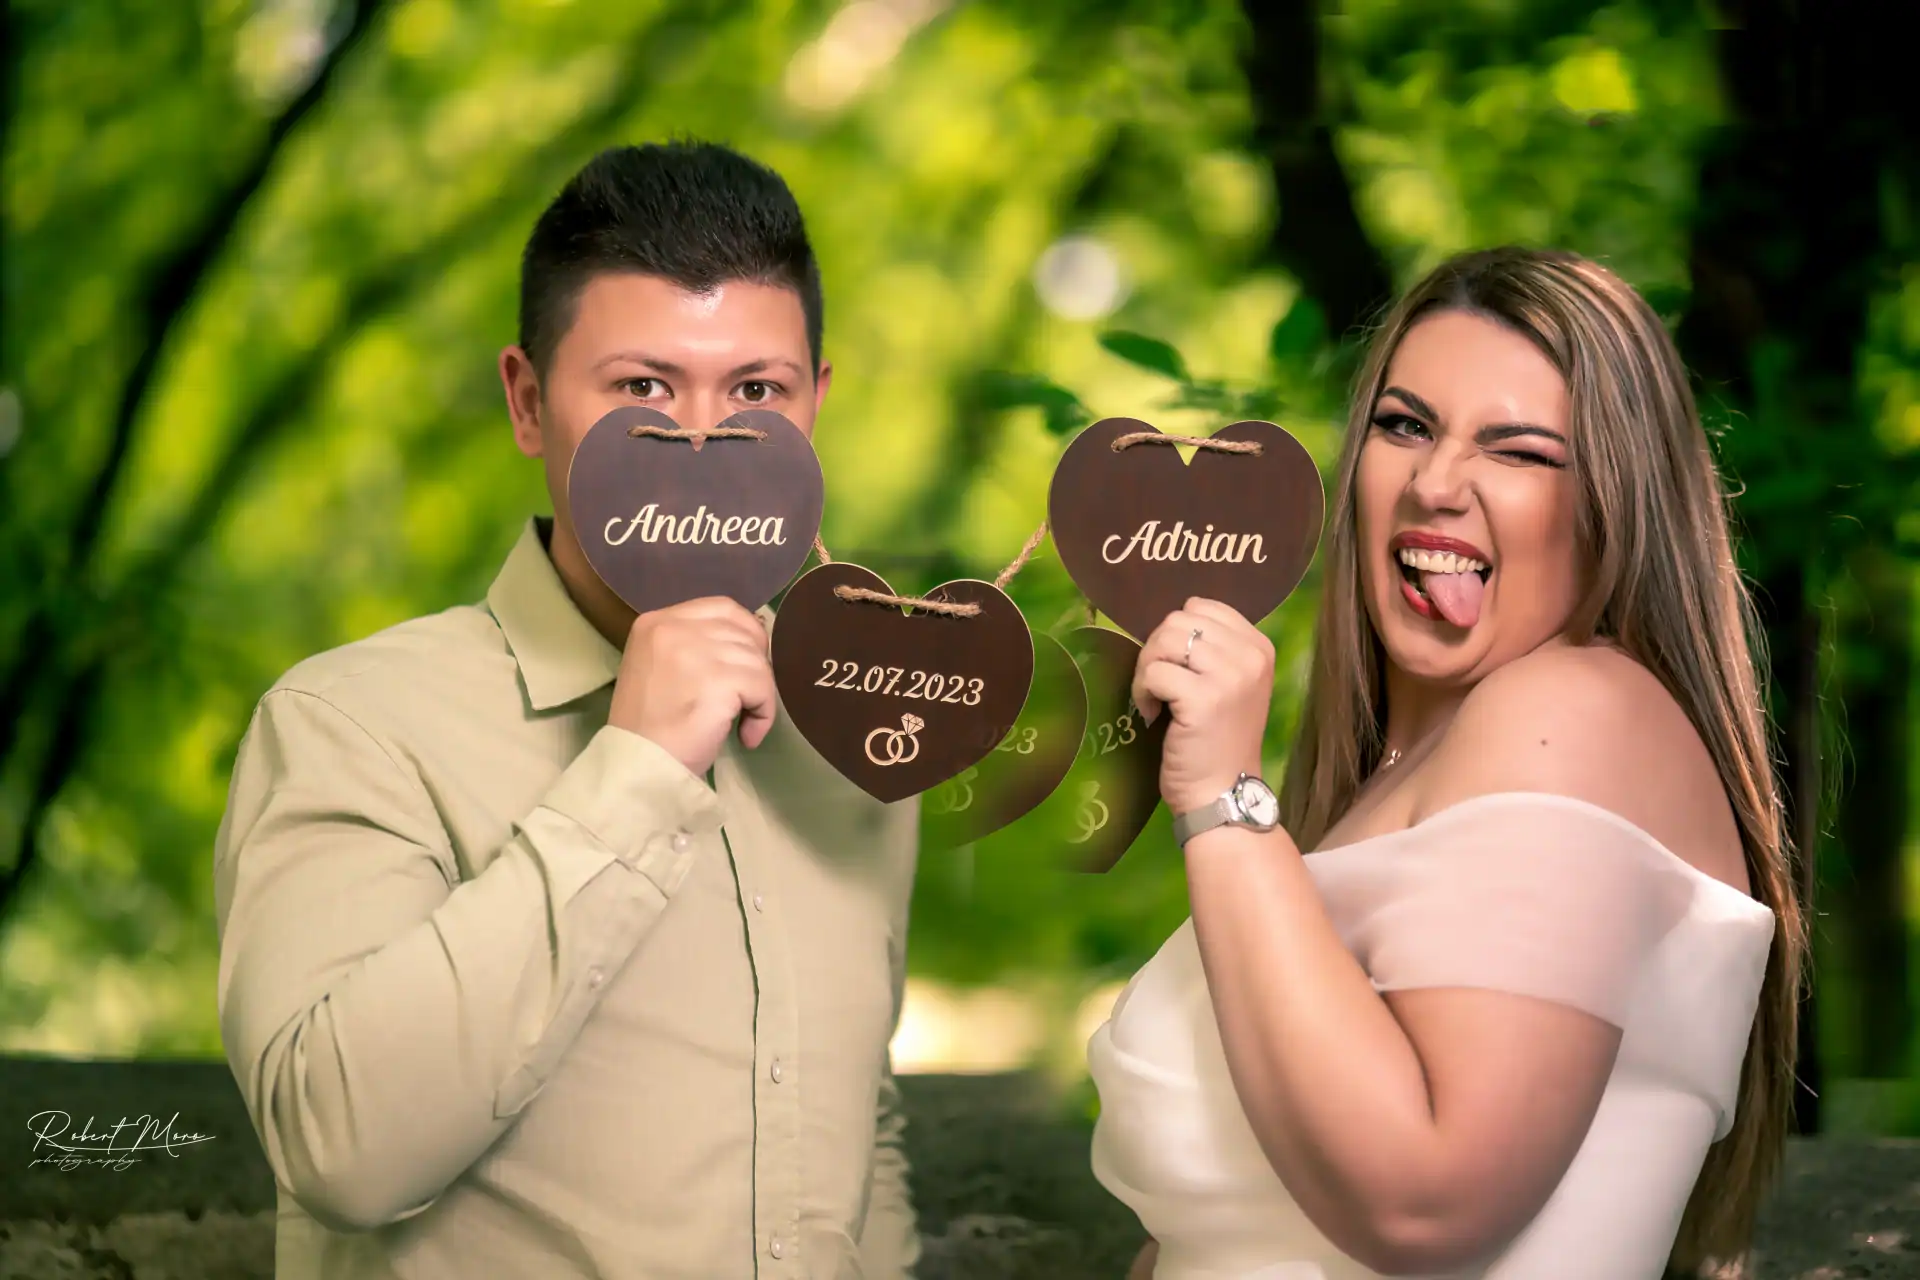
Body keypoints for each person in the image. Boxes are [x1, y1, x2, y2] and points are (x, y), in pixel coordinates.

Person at [213, 141, 922, 1279]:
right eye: (643, 388)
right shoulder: (351, 723)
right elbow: (336, 1148)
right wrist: (636, 768)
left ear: (814, 408)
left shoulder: (849, 734)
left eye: (757, 391)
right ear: (530, 402)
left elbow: (853, 1134)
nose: (702, 443)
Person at [1087, 246, 1804, 1279]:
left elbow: (1425, 1199)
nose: (1434, 483)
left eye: (1520, 452)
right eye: (1405, 425)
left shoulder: (1571, 708)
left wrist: (1222, 803)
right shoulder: (1392, 782)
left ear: (1616, 502)